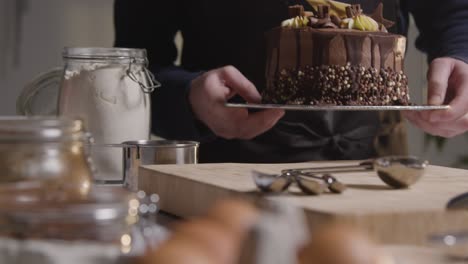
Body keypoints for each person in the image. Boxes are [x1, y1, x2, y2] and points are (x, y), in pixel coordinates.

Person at [114, 0, 468, 163]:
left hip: (379, 168)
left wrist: (462, 53)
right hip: (230, 176)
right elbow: (130, 71)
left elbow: (453, 11)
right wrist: (187, 95)